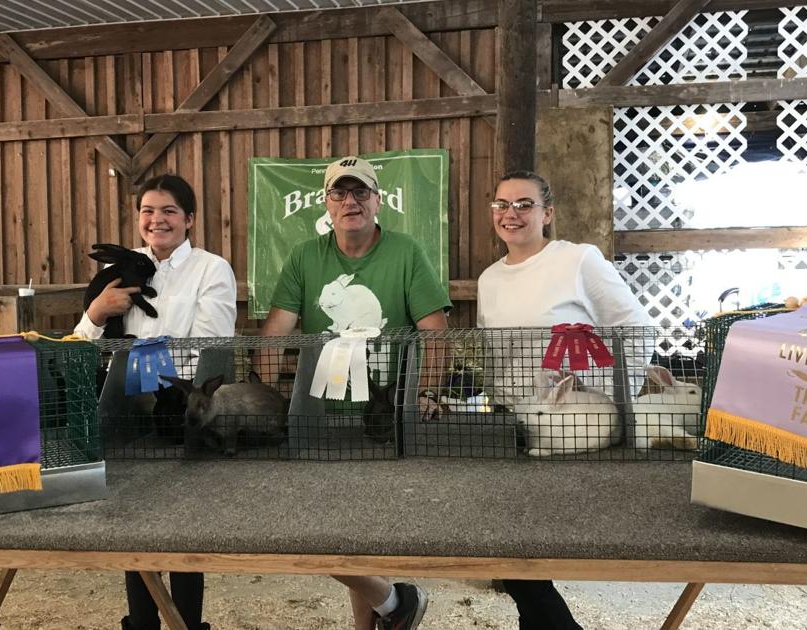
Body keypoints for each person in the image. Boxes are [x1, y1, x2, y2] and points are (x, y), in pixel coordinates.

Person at [259, 155, 450, 630]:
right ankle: (394, 603)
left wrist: (424, 394)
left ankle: (380, 614)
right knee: (316, 533)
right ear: (326, 203)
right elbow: (274, 333)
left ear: (377, 201)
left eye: (360, 192)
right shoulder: (305, 255)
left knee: (366, 534)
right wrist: (268, 400)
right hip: (320, 416)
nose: (351, 202)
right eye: (340, 193)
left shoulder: (407, 252)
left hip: (383, 420)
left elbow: (436, 331)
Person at [477, 170, 652, 630]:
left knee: (520, 546)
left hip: (573, 423)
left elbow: (635, 328)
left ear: (548, 213)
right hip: (516, 423)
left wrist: (617, 404)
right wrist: (496, 406)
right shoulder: (489, 279)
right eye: (501, 204)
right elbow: (494, 356)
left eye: (524, 204)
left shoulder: (578, 260)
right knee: (509, 542)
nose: (510, 214)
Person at [74, 174, 236, 630]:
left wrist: (151, 351)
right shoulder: (121, 270)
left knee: (183, 528)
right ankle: (141, 623)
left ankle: (187, 624)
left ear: (189, 219)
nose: (156, 219)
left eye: (168, 211)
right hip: (126, 412)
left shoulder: (211, 268)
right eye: (148, 210)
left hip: (179, 410)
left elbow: (212, 343)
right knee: (132, 525)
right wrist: (96, 313)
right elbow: (82, 342)